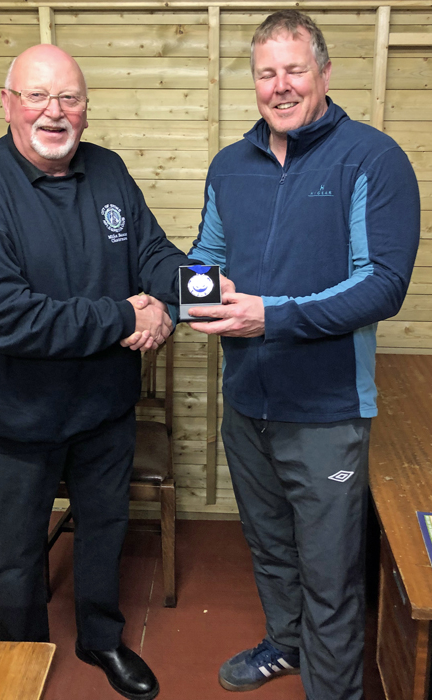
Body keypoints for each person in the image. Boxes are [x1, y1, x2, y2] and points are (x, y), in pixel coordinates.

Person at [0, 44, 190, 700]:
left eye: (69, 97)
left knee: (104, 533)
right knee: (15, 557)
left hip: (104, 410)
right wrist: (122, 316)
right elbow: (1, 315)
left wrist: (200, 293)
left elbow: (155, 253)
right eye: (37, 96)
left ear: (86, 107)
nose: (55, 112)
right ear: (7, 103)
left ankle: (102, 640)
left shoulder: (108, 171)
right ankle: (19, 663)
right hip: (14, 420)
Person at [186, 10, 420, 700]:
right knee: (271, 547)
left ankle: (333, 690)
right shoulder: (230, 165)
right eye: (267, 73)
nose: (280, 86)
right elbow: (208, 254)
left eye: (294, 70)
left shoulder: (372, 159)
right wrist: (192, 294)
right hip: (247, 402)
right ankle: (286, 644)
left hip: (325, 412)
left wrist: (270, 317)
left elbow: (381, 285)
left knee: (330, 571)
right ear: (254, 82)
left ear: (324, 72)